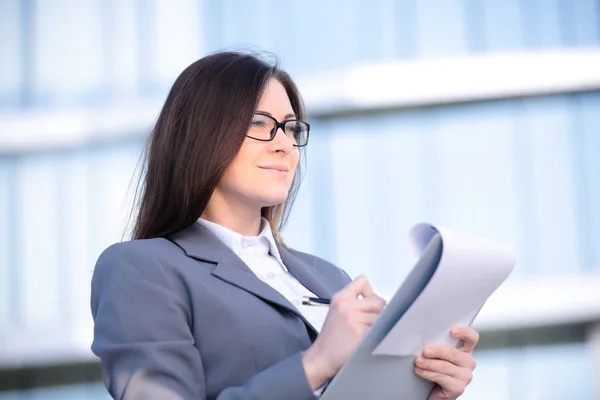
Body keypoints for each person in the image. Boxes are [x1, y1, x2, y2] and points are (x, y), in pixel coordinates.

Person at [90, 51, 479, 400]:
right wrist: (315, 364)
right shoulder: (141, 268)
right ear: (202, 133)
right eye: (261, 123)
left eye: (292, 129)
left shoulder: (329, 279)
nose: (285, 145)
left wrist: (419, 392)